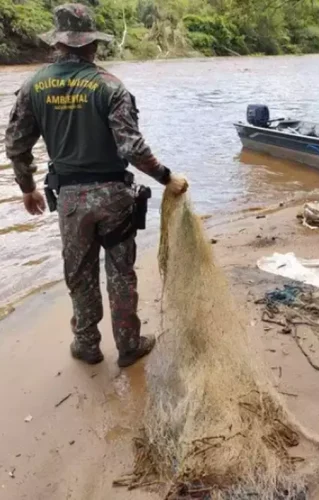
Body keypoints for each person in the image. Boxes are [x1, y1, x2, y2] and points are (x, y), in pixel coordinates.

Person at [5, 3, 188, 368]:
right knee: (121, 274)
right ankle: (129, 346)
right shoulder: (110, 87)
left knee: (79, 274)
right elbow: (132, 148)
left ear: (58, 42)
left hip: (70, 200)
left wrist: (27, 188)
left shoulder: (33, 86)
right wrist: (167, 177)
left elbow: (15, 144)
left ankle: (87, 344)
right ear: (92, 45)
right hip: (115, 198)